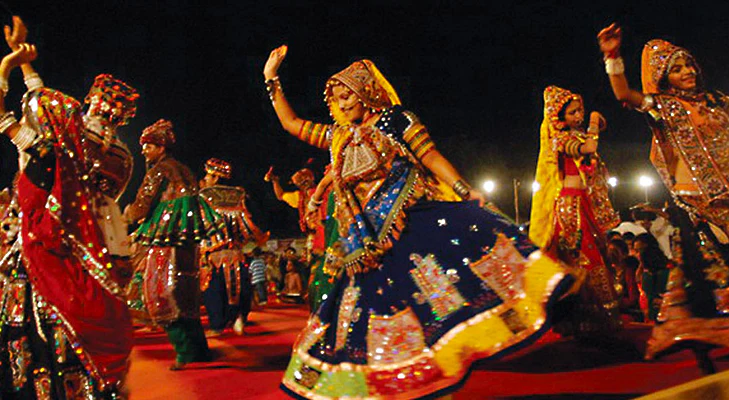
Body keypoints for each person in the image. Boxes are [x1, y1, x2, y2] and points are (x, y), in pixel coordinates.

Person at [264, 45, 572, 399]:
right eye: (335, 97)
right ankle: (387, 385)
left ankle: (438, 376)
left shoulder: (398, 120)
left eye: (347, 94)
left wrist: (463, 189)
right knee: (369, 318)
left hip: (410, 227)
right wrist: (271, 79)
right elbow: (291, 123)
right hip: (363, 246)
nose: (342, 103)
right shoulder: (338, 137)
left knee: (430, 304)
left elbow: (430, 156)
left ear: (366, 92)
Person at [0, 18, 132, 397]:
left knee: (34, 325)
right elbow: (45, 111)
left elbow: (25, 117)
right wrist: (27, 65)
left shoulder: (47, 152)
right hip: (90, 246)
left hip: (42, 248)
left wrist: (9, 65)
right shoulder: (119, 155)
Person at [598, 23, 729, 361]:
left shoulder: (718, 103)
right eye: (677, 69)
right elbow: (625, 95)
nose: (687, 72)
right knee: (708, 275)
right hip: (696, 204)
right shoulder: (663, 107)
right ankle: (705, 340)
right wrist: (612, 56)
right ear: (664, 77)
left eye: (689, 66)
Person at [124, 119, 223, 370]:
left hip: (165, 238)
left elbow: (143, 202)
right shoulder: (185, 170)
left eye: (148, 146)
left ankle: (184, 352)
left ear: (161, 147)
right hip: (186, 240)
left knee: (161, 292)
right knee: (186, 295)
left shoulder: (159, 170)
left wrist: (126, 215)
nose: (144, 150)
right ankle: (199, 350)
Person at [530, 85, 622, 337]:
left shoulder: (577, 135)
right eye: (571, 113)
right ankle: (580, 317)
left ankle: (595, 319)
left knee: (597, 253)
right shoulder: (560, 139)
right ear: (559, 117)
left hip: (584, 202)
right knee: (580, 257)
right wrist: (593, 122)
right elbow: (588, 149)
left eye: (579, 111)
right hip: (570, 207)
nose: (578, 116)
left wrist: (593, 126)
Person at [199, 157, 268, 336]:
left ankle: (218, 325)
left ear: (215, 178)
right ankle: (238, 318)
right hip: (236, 254)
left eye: (207, 176)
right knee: (238, 287)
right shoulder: (238, 202)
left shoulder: (204, 202)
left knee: (215, 290)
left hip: (214, 254)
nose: (205, 179)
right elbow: (248, 230)